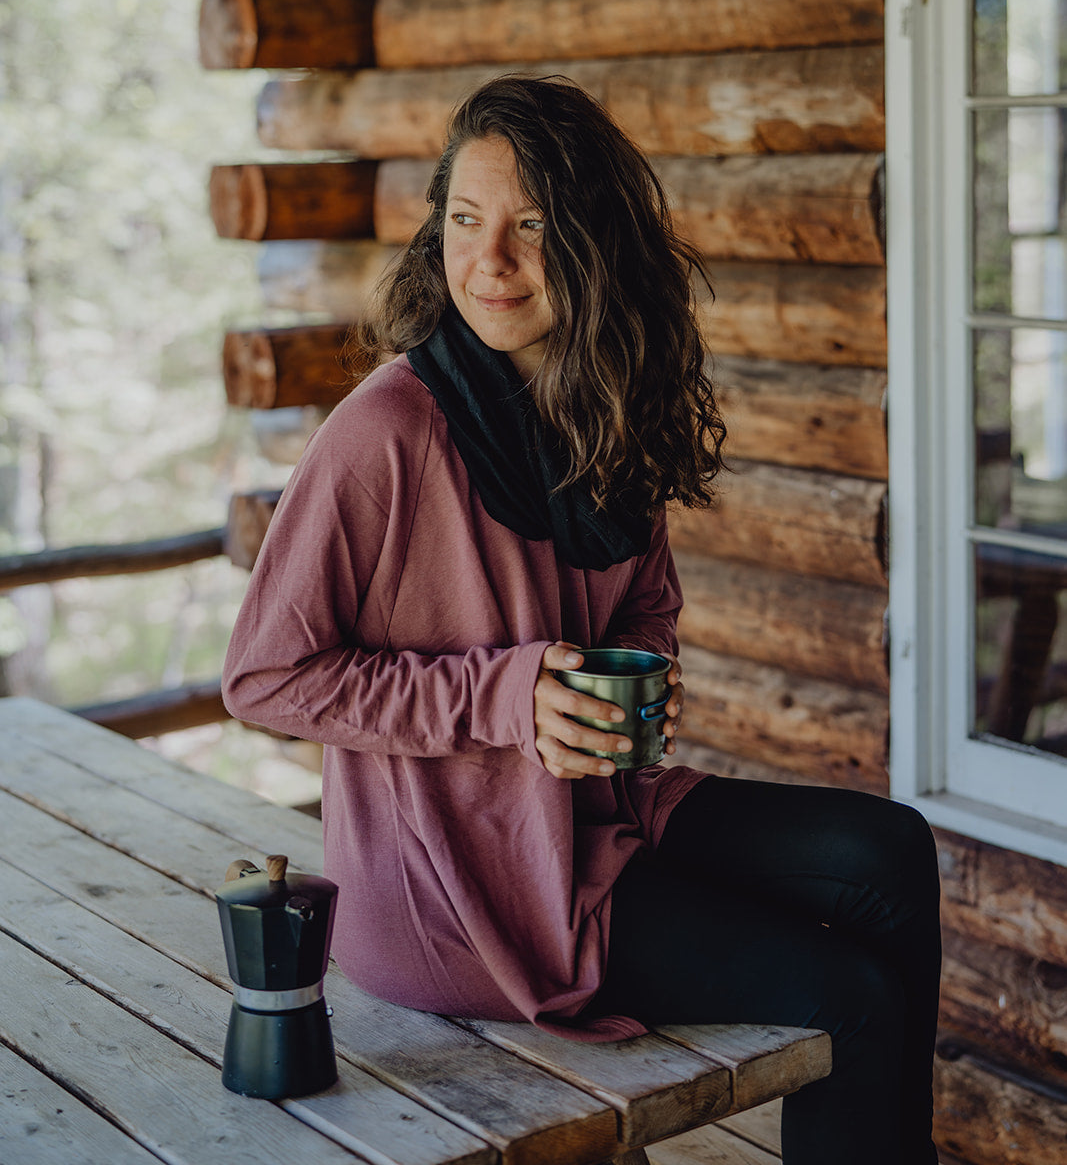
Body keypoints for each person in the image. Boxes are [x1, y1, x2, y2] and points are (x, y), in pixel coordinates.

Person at [222, 74, 941, 1165]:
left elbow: (644, 598)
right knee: (851, 993)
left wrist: (636, 670)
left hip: (596, 820)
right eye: (464, 221)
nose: (489, 261)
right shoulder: (385, 431)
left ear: (594, 242)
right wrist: (509, 696)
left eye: (530, 227)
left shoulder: (605, 399)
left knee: (888, 850)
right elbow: (266, 677)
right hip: (461, 890)